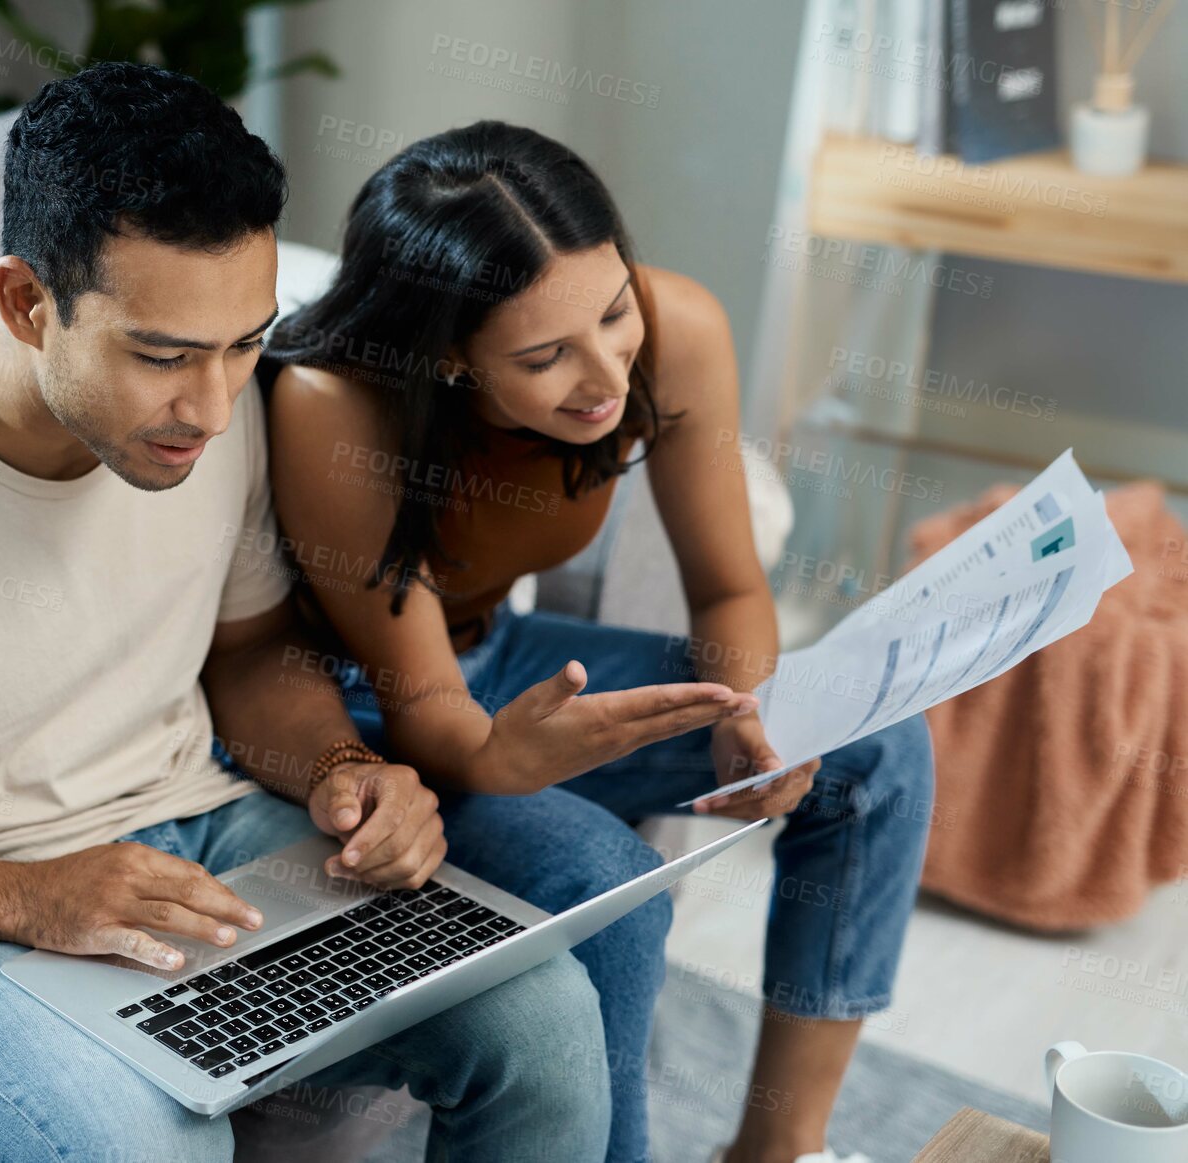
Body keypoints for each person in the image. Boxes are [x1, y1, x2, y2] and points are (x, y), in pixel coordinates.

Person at [0, 66, 618, 1163]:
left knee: (544, 1020)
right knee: (142, 1144)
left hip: (201, 823)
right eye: (162, 356)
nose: (217, 404)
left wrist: (337, 764)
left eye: (244, 343)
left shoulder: (215, 407)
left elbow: (248, 650)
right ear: (26, 302)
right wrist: (20, 893)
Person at [263, 120, 936, 1163]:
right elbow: (428, 708)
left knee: (876, 744)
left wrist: (753, 718)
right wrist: (500, 758)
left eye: (613, 311)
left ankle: (778, 1148)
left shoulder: (675, 330)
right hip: (360, 715)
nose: (606, 372)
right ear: (446, 356)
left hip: (504, 658)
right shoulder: (332, 406)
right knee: (605, 876)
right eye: (544, 356)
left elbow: (726, 588)